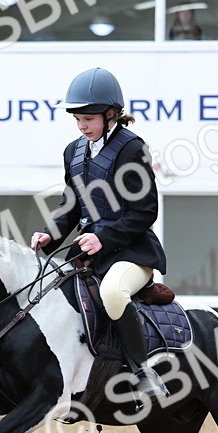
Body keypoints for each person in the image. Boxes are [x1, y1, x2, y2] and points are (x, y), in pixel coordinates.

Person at [31, 67, 169, 403]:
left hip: (132, 254)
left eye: (88, 118)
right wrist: (50, 234)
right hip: (89, 253)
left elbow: (145, 211)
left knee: (112, 293)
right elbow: (70, 205)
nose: (82, 125)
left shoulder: (132, 149)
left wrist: (104, 238)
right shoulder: (73, 152)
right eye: (77, 118)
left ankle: (144, 372)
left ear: (111, 115)